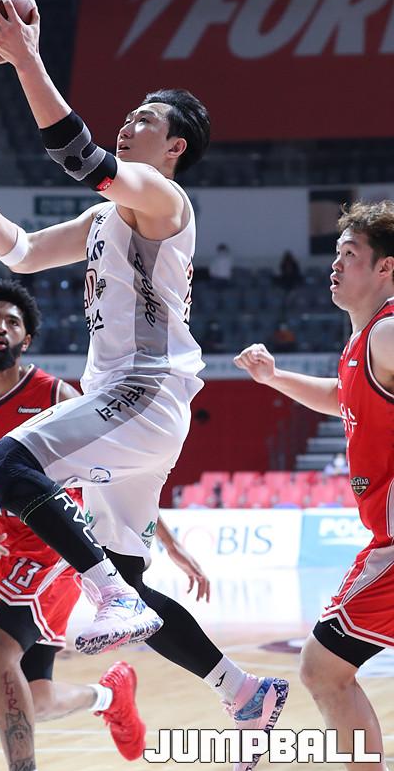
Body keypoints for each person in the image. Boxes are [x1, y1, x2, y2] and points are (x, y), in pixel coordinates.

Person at [0, 0, 288, 770]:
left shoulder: (163, 197)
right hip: (129, 405)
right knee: (127, 579)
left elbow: (81, 158)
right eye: (128, 114)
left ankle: (108, 593)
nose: (129, 123)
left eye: (144, 120)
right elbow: (21, 254)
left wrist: (25, 58)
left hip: (142, 392)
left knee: (3, 466)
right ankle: (244, 693)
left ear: (174, 146)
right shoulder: (101, 221)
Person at [0, 280, 186, 767]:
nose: (1, 327)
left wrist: (168, 540)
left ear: (26, 339)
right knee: (35, 699)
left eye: (13, 322)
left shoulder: (55, 395)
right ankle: (110, 696)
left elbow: (116, 476)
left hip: (53, 549)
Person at [235, 200, 394, 771]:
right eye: (336, 253)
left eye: (350, 254)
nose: (335, 264)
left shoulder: (388, 332)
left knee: (324, 667)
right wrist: (274, 377)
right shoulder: (364, 342)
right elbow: (340, 396)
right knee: (325, 669)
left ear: (386, 268)